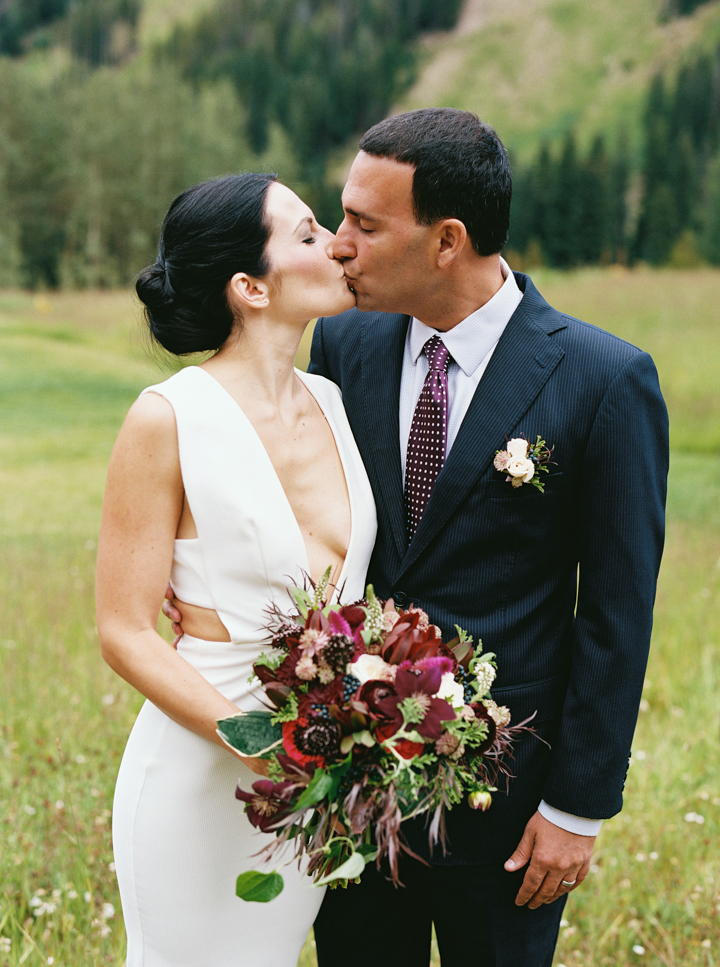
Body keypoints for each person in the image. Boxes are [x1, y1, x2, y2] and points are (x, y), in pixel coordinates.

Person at [304, 109, 669, 967]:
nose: (339, 245)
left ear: (447, 241)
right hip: (353, 788)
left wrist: (578, 809)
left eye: (364, 224)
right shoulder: (342, 346)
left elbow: (618, 615)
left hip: (506, 812)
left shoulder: (604, 379)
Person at [95, 172, 377, 967]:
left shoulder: (334, 400)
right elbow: (123, 629)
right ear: (251, 286)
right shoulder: (168, 416)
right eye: (310, 232)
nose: (337, 245)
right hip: (199, 772)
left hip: (316, 775)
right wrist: (258, 742)